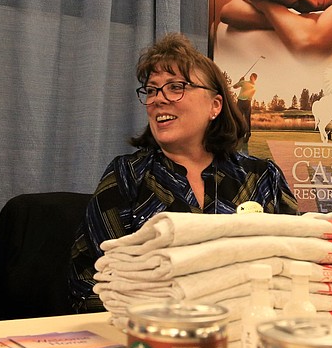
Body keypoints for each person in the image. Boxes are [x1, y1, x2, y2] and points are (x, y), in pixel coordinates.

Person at [67, 33, 299, 312]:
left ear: (215, 106)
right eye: (151, 90)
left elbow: (295, 268)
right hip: (152, 337)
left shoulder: (262, 178)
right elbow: (89, 284)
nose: (158, 100)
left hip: (246, 335)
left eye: (176, 87)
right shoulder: (127, 176)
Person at [232, 71, 258, 147]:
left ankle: (246, 133)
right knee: (243, 118)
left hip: (243, 102)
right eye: (251, 76)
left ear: (254, 78)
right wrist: (241, 81)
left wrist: (240, 81)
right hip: (245, 102)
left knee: (244, 118)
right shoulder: (251, 85)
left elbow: (234, 86)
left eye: (252, 76)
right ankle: (242, 133)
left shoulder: (245, 83)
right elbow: (234, 87)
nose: (251, 77)